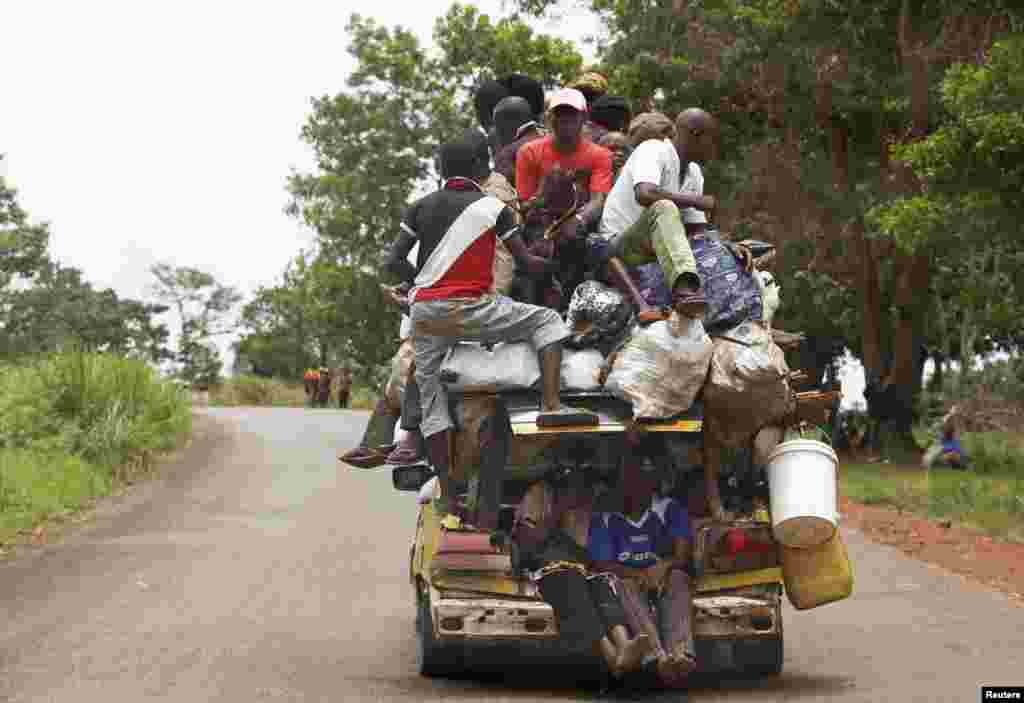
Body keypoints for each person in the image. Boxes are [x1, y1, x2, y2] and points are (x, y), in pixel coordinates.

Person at [382, 136, 599, 521]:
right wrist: (552, 268)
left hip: (427, 314)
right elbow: (527, 263)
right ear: (481, 167)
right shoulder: (492, 207)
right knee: (546, 321)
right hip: (476, 310)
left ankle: (448, 493)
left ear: (440, 170)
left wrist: (418, 285)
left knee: (433, 403)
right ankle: (551, 404)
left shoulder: (419, 208)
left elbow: (392, 258)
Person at [512, 470, 652, 678]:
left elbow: (589, 560)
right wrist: (554, 518)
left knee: (600, 584)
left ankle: (625, 646)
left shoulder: (571, 531)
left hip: (577, 571)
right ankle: (613, 657)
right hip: (552, 575)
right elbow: (527, 547)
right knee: (574, 585)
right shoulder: (537, 521)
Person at [593, 108, 719, 323]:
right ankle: (684, 290)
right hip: (620, 245)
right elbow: (645, 193)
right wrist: (696, 201)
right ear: (695, 134)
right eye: (711, 139)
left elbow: (697, 231)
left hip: (656, 250)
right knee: (664, 207)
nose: (713, 147)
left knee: (728, 254)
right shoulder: (653, 150)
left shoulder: (694, 173)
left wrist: (725, 246)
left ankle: (746, 317)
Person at [589, 453, 697, 688]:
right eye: (627, 483)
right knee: (622, 585)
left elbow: (682, 555)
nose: (634, 489)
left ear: (651, 484)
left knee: (679, 578)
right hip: (628, 578)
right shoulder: (605, 517)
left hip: (664, 575)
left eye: (641, 481)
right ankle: (658, 657)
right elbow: (602, 564)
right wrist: (638, 574)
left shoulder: (669, 508)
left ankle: (680, 654)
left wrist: (663, 567)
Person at [516, 88, 614, 304]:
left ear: (583, 118)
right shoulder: (529, 152)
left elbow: (598, 200)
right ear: (550, 118)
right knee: (535, 252)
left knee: (588, 248)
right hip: (540, 225)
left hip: (579, 226)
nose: (565, 119)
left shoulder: (600, 155)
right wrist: (545, 192)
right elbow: (524, 204)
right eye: (559, 114)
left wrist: (579, 220)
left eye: (571, 114)